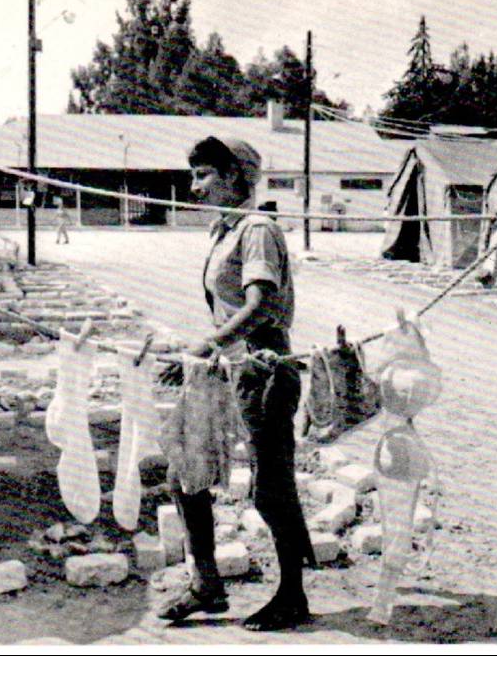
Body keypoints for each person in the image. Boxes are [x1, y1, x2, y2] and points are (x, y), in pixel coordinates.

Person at [158, 136, 315, 631]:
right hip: (228, 369)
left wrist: (208, 343)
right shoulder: (225, 230)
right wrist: (206, 352)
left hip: (263, 372)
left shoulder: (258, 229)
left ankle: (292, 596)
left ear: (234, 178)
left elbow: (260, 305)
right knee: (185, 471)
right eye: (195, 174)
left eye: (204, 175)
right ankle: (206, 584)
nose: (194, 185)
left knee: (271, 490)